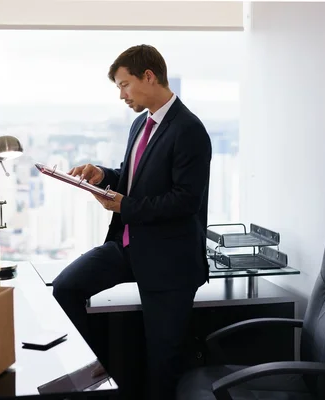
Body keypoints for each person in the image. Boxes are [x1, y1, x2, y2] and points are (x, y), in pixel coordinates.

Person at [52, 44, 212, 400]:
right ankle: (93, 376)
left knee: (162, 361)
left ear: (149, 77)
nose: (121, 95)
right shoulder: (142, 123)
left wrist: (126, 207)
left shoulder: (189, 130)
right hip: (129, 246)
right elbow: (134, 177)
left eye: (124, 85)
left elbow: (185, 201)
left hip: (170, 262)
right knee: (65, 288)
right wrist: (103, 175)